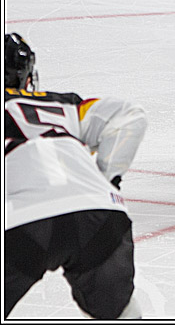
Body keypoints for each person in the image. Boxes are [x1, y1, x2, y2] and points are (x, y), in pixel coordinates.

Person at [4, 33, 147, 318]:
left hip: (23, 222)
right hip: (100, 215)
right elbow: (130, 117)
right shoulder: (65, 104)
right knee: (118, 313)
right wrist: (105, 182)